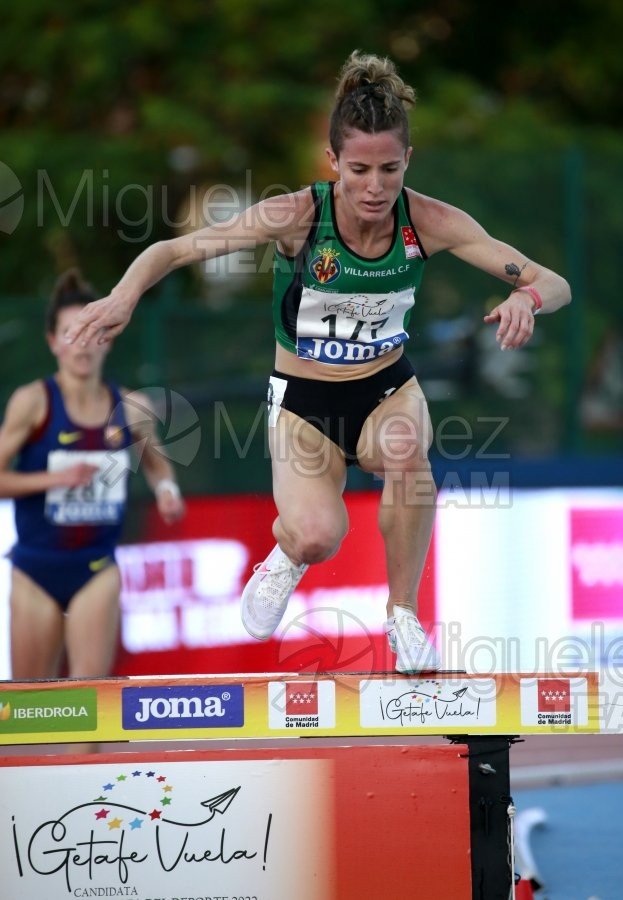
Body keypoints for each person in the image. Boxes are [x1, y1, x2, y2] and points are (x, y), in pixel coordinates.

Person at [66, 51, 571, 674]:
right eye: (359, 169)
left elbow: (554, 282)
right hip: (305, 402)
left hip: (386, 390)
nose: (375, 187)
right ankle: (284, 557)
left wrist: (527, 298)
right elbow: (174, 250)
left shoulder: (431, 222)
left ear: (407, 161)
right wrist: (122, 297)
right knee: (317, 535)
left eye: (390, 169)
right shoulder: (299, 216)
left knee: (410, 451)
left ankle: (403, 616)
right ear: (334, 163)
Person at [0, 268, 185, 682]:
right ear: (52, 342)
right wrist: (54, 481)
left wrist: (167, 491)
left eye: (92, 331)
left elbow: (156, 462)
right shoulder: (32, 402)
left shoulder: (131, 407)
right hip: (35, 570)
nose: (82, 344)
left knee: (90, 702)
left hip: (96, 568)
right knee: (28, 709)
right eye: (71, 332)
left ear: (108, 339)